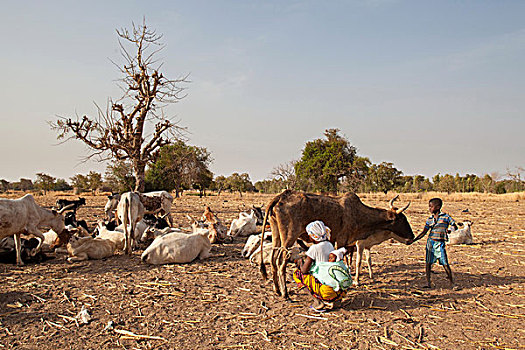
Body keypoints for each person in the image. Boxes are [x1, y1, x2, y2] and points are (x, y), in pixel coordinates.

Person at [293, 221, 350, 311]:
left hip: (327, 292)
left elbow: (304, 270)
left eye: (309, 235)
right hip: (339, 291)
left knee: (298, 275)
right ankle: (337, 302)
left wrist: (300, 263)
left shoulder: (314, 249)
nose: (308, 237)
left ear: (313, 236)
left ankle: (318, 302)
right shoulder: (329, 245)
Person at [412, 197, 458, 288]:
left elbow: (454, 226)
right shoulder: (429, 219)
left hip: (440, 243)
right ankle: (429, 283)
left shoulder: (446, 217)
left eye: (431, 207)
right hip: (430, 243)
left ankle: (452, 283)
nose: (429, 209)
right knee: (428, 263)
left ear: (438, 207)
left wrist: (449, 230)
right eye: (429, 207)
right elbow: (424, 232)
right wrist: (414, 240)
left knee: (445, 263)